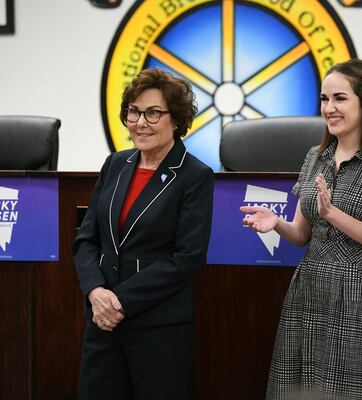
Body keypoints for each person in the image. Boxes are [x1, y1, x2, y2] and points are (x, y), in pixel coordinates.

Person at [241, 58, 362, 399]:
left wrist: (333, 213)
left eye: (340, 98)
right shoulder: (315, 156)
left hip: (360, 295)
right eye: (324, 99)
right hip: (309, 291)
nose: (329, 108)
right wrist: (277, 223)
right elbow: (302, 234)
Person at [73, 67, 214, 400]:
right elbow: (86, 241)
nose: (140, 122)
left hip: (158, 329)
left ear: (176, 119)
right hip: (102, 323)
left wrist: (119, 301)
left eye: (153, 113)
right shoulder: (114, 165)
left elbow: (187, 259)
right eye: (133, 112)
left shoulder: (195, 175)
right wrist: (95, 292)